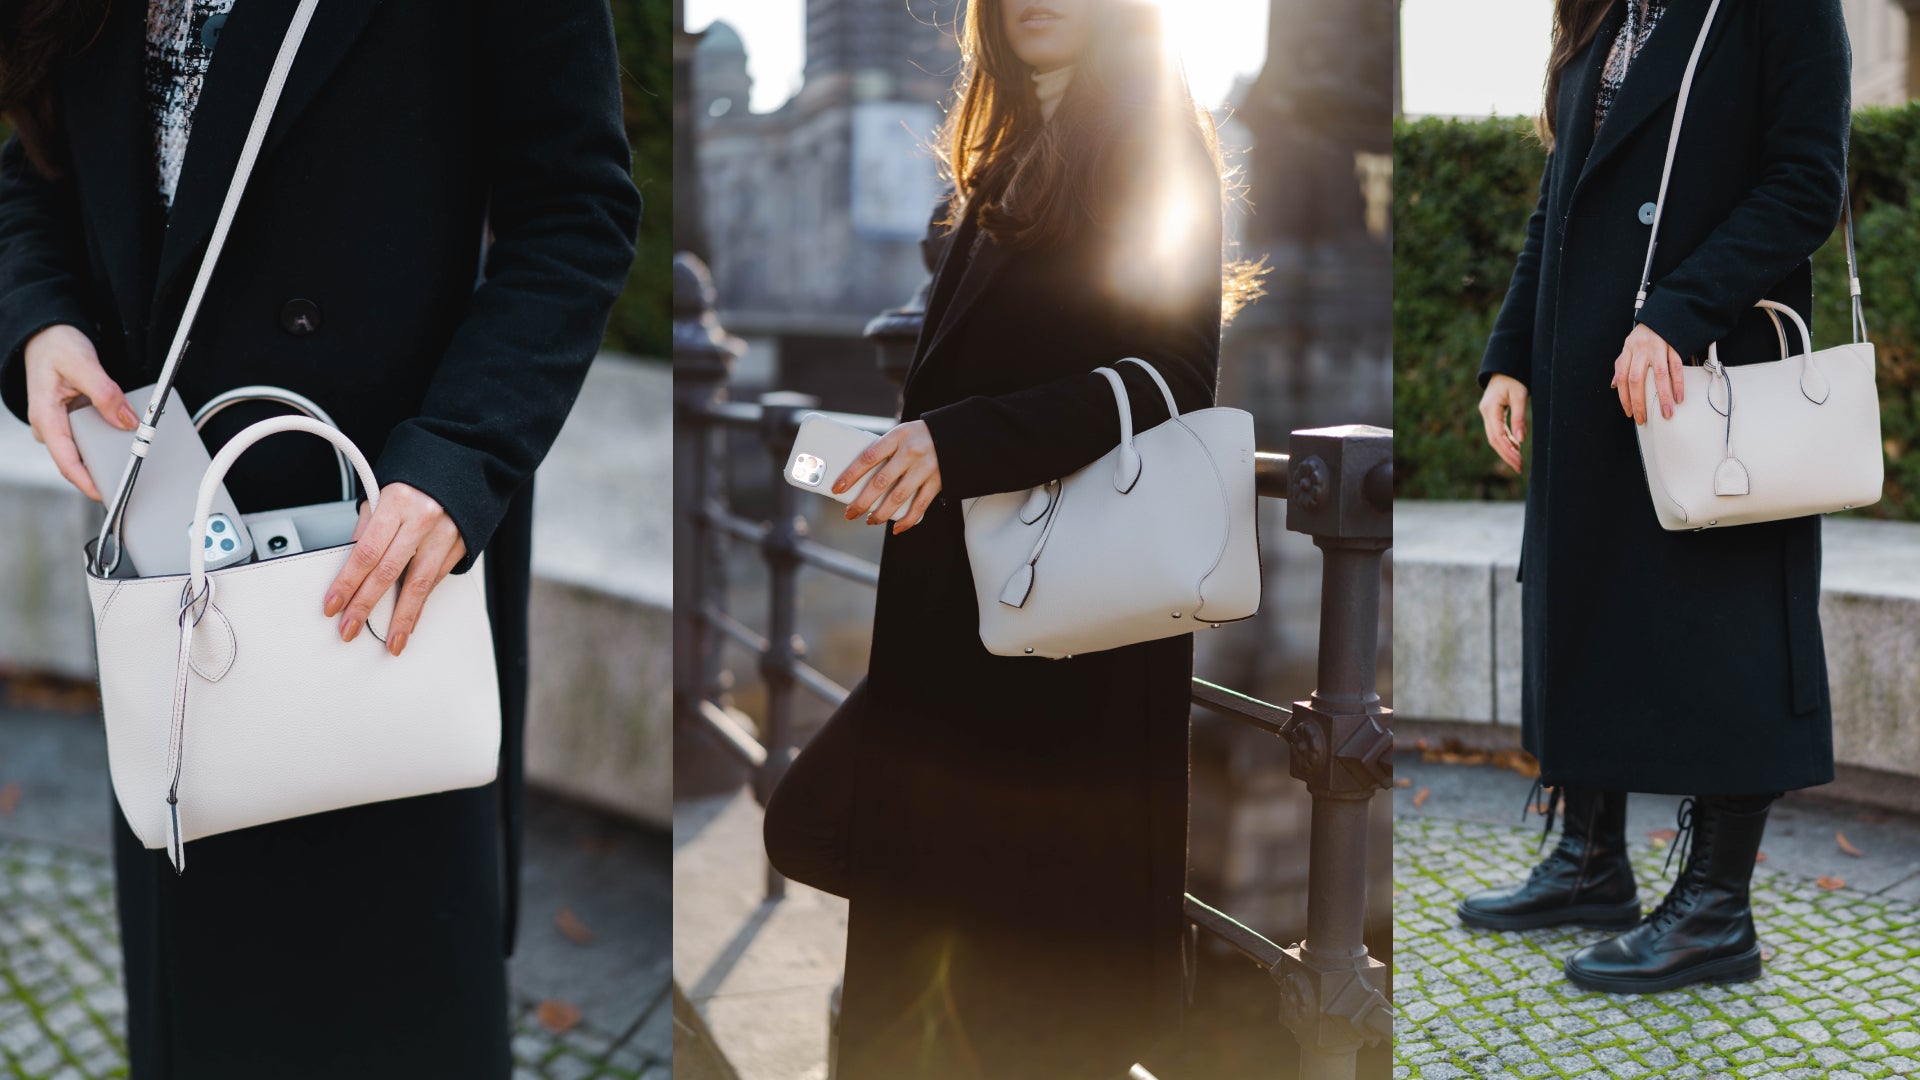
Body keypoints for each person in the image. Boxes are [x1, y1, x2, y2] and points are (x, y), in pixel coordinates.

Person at [0, 0, 640, 1074]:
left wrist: (458, 459)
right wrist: (36, 318)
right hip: (178, 568)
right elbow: (39, 166)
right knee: (203, 1000)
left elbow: (575, 208)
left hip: (392, 557)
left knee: (395, 1007)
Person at [759, 1, 1261, 1075]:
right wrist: (914, 449)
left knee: (1008, 967)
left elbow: (1176, 372)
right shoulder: (1003, 155)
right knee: (831, 835)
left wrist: (962, 442)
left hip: (1063, 621)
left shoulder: (1154, 139)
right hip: (975, 605)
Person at [1463, 0, 1851, 994]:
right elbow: (1563, 197)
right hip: (1594, 368)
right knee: (1587, 595)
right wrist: (1509, 355)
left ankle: (1718, 911)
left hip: (1707, 370)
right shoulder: (1607, 12)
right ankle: (1592, 863)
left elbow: (1807, 183)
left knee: (1728, 626)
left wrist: (1680, 310)